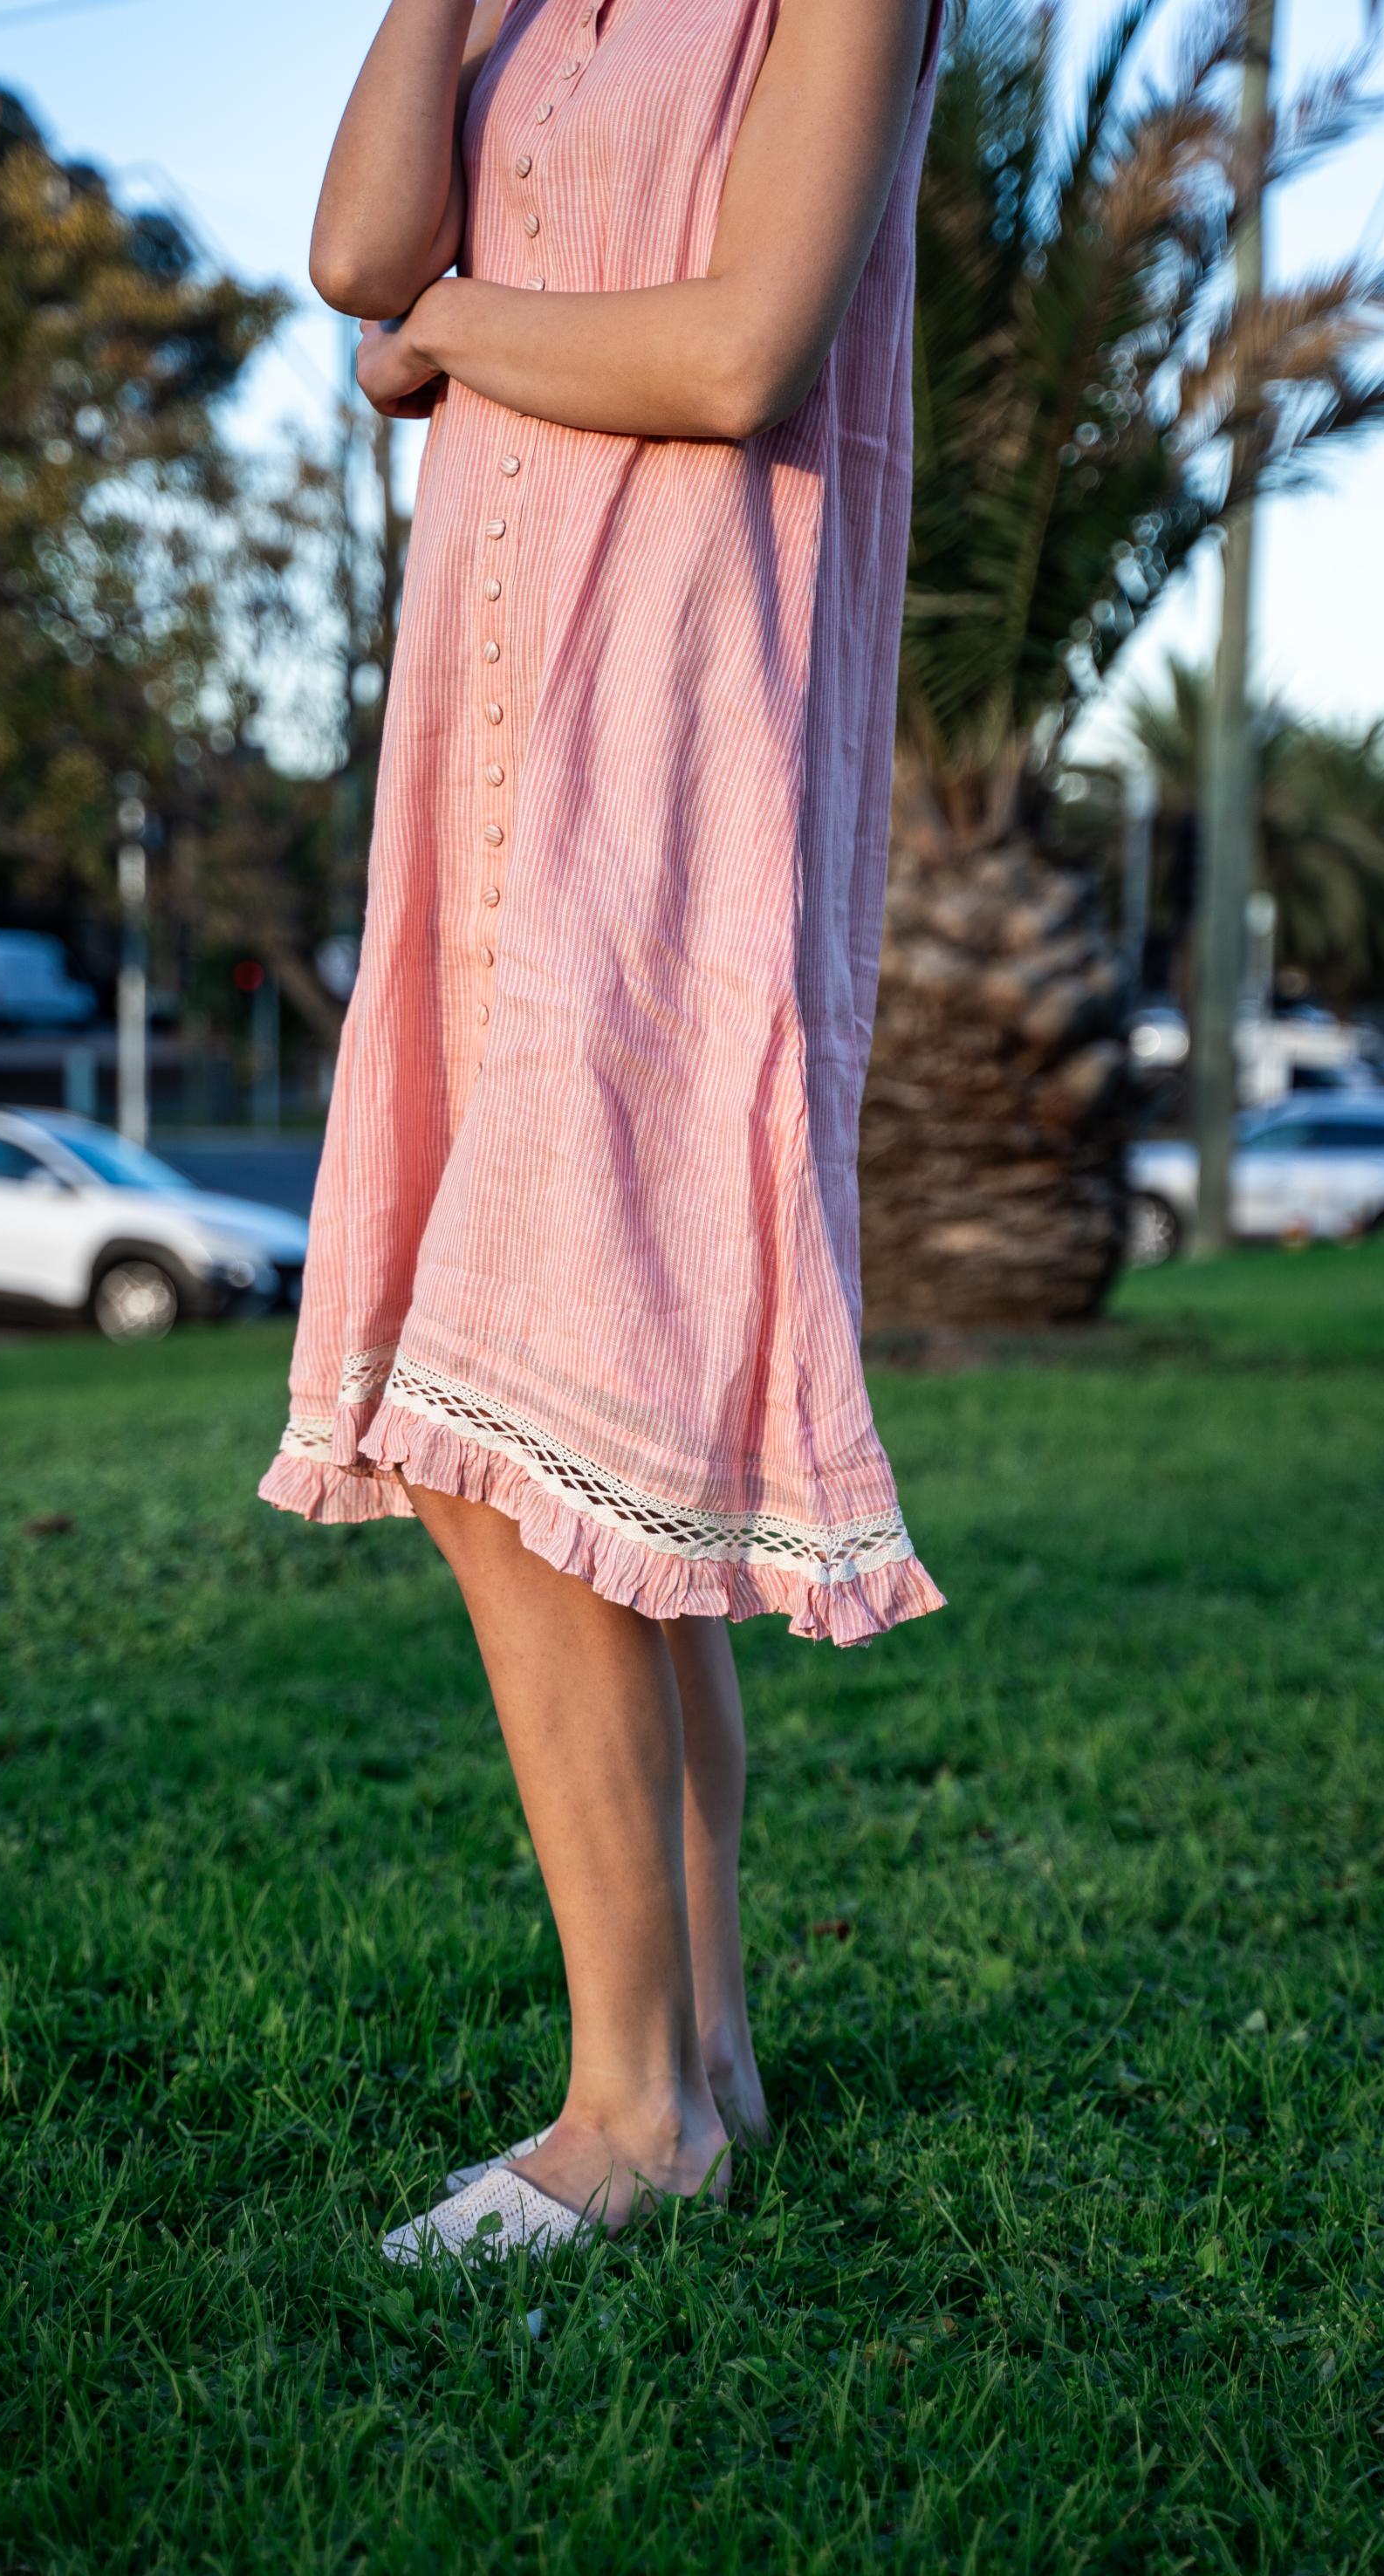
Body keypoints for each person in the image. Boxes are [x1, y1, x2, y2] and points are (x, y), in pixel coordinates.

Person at [262, 0, 948, 2264]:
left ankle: (632, 2111)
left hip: (671, 716)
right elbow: (358, 243)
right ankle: (708, 2058)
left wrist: (459, 325)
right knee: (566, 1444)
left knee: (507, 1446)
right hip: (481, 717)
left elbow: (748, 343)